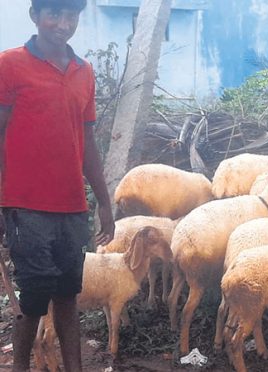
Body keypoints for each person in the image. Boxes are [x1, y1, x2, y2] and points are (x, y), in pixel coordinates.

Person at [0, 0, 115, 370]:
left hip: (71, 206)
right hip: (25, 205)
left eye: (71, 16)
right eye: (54, 13)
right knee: (33, 295)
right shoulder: (9, 64)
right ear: (35, 16)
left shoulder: (84, 71)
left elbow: (88, 143)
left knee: (68, 294)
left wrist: (104, 201)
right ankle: (20, 367)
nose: (63, 24)